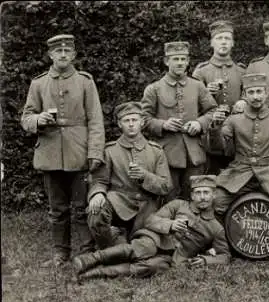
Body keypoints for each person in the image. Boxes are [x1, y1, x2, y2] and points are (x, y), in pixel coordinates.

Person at [20, 34, 105, 267]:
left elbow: (95, 120)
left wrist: (95, 152)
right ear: (51, 55)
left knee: (81, 207)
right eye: (59, 52)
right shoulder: (38, 84)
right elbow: (25, 118)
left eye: (68, 52)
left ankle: (87, 251)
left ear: (74, 55)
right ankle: (61, 254)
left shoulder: (85, 82)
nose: (64, 55)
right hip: (50, 153)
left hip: (79, 151)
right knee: (57, 208)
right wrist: (39, 119)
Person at [73, 175, 230, 281]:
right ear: (193, 195)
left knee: (149, 267)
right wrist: (170, 225)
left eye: (206, 193)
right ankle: (90, 260)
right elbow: (150, 220)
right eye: (198, 193)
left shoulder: (216, 228)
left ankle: (95, 274)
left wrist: (205, 260)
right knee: (141, 248)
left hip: (174, 258)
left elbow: (224, 256)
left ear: (214, 195)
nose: (202, 197)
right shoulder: (178, 205)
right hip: (156, 240)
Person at [87, 101, 172, 249]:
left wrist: (144, 176)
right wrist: (97, 193)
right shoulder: (110, 150)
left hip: (147, 209)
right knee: (96, 211)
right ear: (120, 124)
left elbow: (166, 186)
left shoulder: (156, 151)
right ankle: (108, 248)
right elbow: (99, 180)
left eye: (135, 120)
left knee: (146, 248)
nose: (131, 124)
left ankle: (122, 244)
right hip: (119, 203)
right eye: (126, 120)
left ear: (142, 122)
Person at [209, 73, 269, 215]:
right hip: (240, 174)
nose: (256, 97)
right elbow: (218, 148)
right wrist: (215, 127)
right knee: (216, 202)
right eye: (251, 92)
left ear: (266, 93)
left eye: (259, 91)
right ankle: (222, 237)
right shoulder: (234, 120)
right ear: (244, 94)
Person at [142, 41, 217, 201]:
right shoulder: (154, 89)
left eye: (183, 59)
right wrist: (163, 124)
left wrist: (200, 123)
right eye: (175, 59)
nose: (180, 63)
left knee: (195, 199)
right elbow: (144, 119)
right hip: (166, 155)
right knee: (169, 199)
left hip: (194, 155)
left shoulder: (198, 86)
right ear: (166, 61)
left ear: (188, 61)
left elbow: (213, 111)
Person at [192, 20, 246, 175]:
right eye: (219, 38)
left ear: (233, 43)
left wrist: (244, 100)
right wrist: (206, 92)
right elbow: (191, 103)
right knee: (210, 173)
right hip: (210, 133)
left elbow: (250, 93)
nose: (223, 42)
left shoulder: (241, 70)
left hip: (237, 131)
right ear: (211, 43)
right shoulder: (201, 71)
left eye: (227, 38)